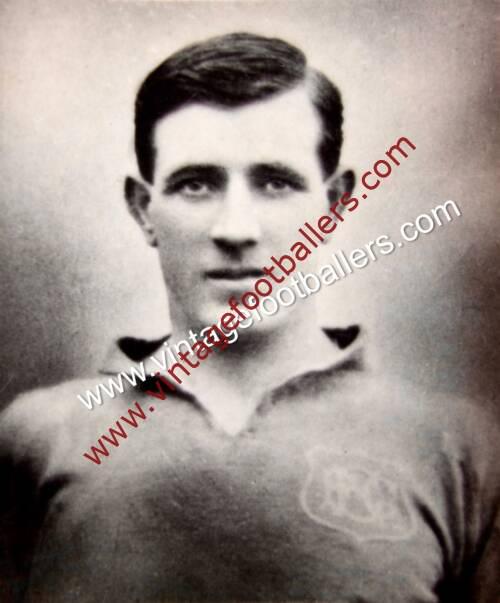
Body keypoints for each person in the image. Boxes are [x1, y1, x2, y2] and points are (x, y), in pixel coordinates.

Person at [0, 32, 498, 603]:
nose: (236, 229)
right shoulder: (35, 440)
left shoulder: (457, 452)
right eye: (196, 184)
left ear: (334, 206)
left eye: (275, 182)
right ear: (143, 209)